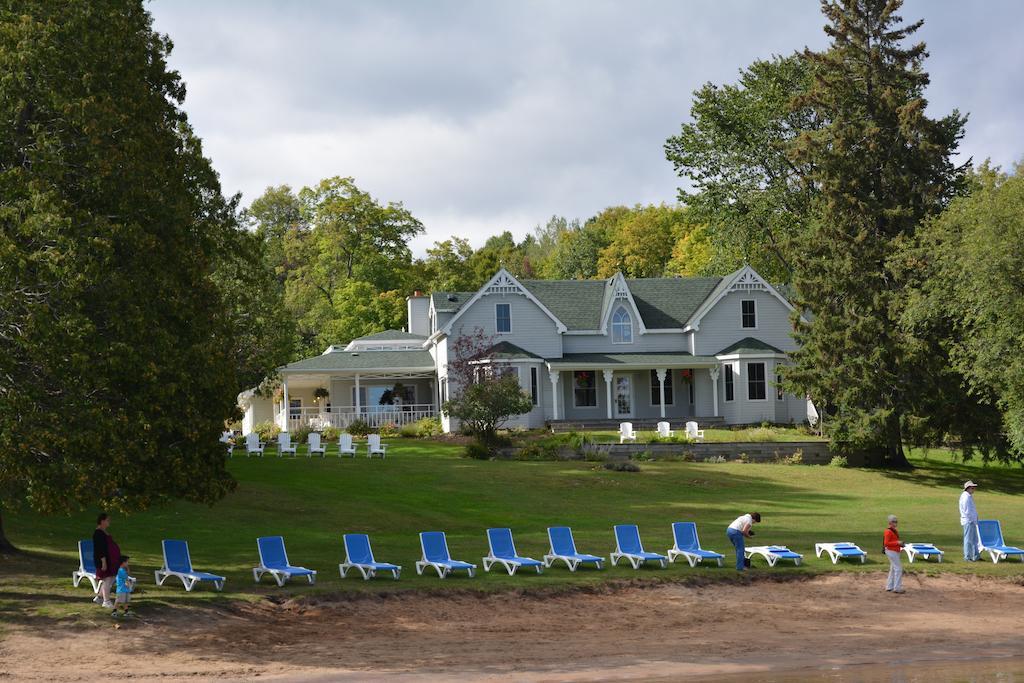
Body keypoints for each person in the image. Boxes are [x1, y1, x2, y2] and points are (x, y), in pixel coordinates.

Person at [92, 513, 118, 609]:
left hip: (110, 559)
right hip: (103, 560)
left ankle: (99, 597)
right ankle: (106, 601)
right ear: (102, 521)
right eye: (107, 520)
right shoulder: (98, 533)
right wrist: (103, 562)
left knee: (110, 579)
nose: (109, 522)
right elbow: (100, 549)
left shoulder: (103, 532)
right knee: (107, 579)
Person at [883, 515, 905, 593]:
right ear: (889, 522)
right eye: (893, 521)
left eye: (896, 521)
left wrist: (899, 545)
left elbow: (892, 542)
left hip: (894, 551)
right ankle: (897, 588)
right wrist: (897, 543)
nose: (895, 523)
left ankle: (889, 586)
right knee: (898, 569)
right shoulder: (888, 531)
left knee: (893, 569)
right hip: (891, 551)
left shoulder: (894, 530)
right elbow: (886, 543)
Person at [959, 480, 980, 561]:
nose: (974, 489)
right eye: (972, 488)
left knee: (975, 540)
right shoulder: (966, 497)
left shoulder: (968, 496)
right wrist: (972, 519)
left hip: (972, 521)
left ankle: (976, 556)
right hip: (969, 521)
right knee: (968, 540)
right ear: (968, 488)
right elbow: (967, 511)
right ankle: (967, 557)